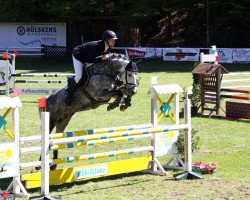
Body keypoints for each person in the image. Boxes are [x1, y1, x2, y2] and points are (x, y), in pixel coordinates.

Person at [66, 30, 118, 105]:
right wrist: (102, 58)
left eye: (114, 40)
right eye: (112, 40)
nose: (114, 42)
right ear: (106, 40)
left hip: (88, 57)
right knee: (79, 76)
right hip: (78, 56)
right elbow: (90, 60)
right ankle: (69, 96)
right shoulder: (98, 46)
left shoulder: (107, 46)